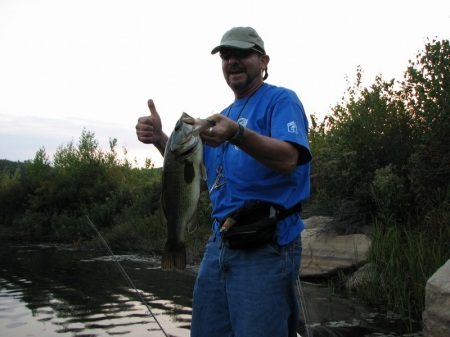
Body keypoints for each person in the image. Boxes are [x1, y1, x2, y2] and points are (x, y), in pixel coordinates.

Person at [136, 26, 312, 337]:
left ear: (263, 60)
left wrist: (237, 134)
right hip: (220, 244)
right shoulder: (222, 116)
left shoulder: (281, 101)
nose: (232, 61)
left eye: (241, 53)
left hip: (267, 245)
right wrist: (160, 138)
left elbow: (289, 158)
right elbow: (188, 168)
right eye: (226, 56)